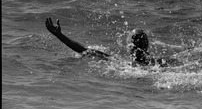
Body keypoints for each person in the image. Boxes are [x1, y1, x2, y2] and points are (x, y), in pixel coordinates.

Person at [45, 17, 173, 67]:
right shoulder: (158, 63)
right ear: (147, 46)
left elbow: (84, 50)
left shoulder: (121, 64)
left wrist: (59, 35)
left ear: (130, 47)